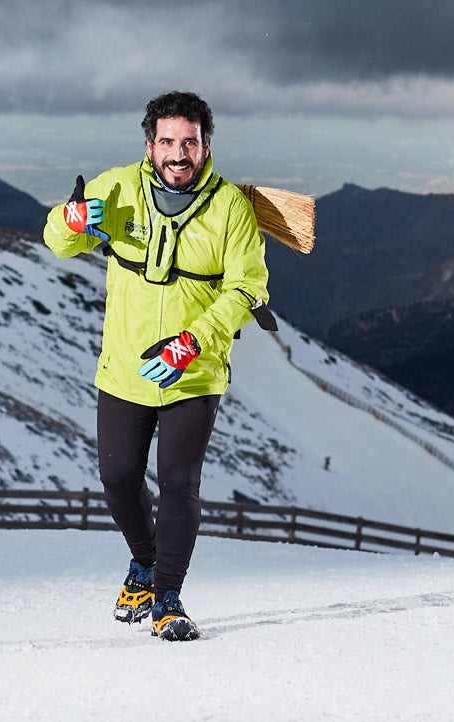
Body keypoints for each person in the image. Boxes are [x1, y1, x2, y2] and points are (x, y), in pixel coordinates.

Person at [43, 91, 272, 641]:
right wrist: (71, 222)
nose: (178, 153)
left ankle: (168, 597)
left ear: (206, 146)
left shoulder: (230, 208)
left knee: (178, 483)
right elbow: (58, 242)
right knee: (118, 478)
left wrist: (193, 341)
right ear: (150, 145)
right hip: (125, 366)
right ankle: (144, 563)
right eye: (167, 141)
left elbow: (249, 288)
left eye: (189, 142)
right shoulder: (117, 187)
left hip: (195, 370)